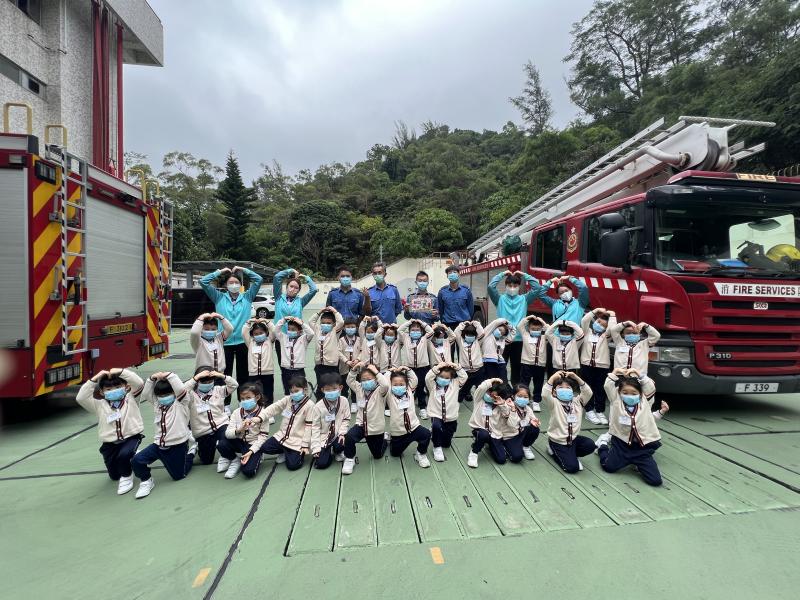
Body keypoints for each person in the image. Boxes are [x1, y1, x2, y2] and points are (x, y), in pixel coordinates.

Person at [75, 367, 145, 495]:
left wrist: (121, 372)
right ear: (101, 392)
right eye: (108, 389)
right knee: (114, 476)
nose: (114, 391)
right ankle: (133, 456)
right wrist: (94, 379)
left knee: (124, 456)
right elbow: (81, 398)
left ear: (126, 387)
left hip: (131, 437)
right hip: (110, 444)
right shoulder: (99, 405)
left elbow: (139, 383)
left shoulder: (131, 398)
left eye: (118, 387)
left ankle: (127, 476)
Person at [200, 266, 264, 402]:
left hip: (243, 341)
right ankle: (225, 405)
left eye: (236, 282)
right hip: (224, 342)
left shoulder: (247, 297)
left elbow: (258, 280)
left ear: (241, 285)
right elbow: (203, 282)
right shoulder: (218, 297)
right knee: (224, 374)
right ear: (226, 285)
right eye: (230, 282)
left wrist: (243, 269)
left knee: (243, 375)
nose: (234, 285)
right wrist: (220, 272)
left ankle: (244, 401)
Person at [131, 372, 196, 499]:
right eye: (160, 396)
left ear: (174, 394)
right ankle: (146, 480)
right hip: (158, 446)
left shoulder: (181, 403)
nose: (163, 398)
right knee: (136, 461)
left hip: (177, 446)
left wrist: (169, 375)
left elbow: (180, 389)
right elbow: (146, 394)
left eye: (167, 394)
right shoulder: (158, 405)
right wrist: (151, 378)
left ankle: (191, 453)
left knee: (179, 475)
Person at [595, 368, 663, 486]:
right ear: (619, 393)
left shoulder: (645, 402)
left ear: (640, 394)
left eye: (634, 393)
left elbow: (650, 387)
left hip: (641, 449)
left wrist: (639, 374)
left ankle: (638, 463)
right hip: (622, 446)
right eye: (625, 393)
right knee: (608, 467)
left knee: (655, 481)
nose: (629, 396)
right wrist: (615, 372)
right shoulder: (616, 401)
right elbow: (608, 386)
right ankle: (603, 445)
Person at [489, 269, 542, 385]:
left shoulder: (524, 299)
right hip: (502, 339)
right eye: (509, 285)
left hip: (519, 339)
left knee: (517, 368)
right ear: (506, 286)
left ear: (519, 286)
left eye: (515, 285)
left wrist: (524, 275)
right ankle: (501, 388)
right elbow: (490, 287)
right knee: (500, 365)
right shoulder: (499, 299)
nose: (512, 288)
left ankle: (515, 390)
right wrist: (502, 274)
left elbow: (537, 288)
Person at [258, 375, 317, 471]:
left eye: (297, 391)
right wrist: (260, 417)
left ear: (305, 389)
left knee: (293, 465)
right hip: (282, 436)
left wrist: (305, 445)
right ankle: (285, 451)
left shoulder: (310, 405)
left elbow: (309, 427)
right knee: (264, 448)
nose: (294, 394)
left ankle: (293, 453)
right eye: (291, 391)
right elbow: (274, 407)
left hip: (297, 441)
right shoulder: (288, 399)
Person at [185, 367, 238, 472]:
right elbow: (181, 391)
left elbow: (234, 385)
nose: (208, 384)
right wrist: (195, 378)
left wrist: (221, 376)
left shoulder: (218, 390)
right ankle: (196, 447)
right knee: (206, 460)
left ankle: (227, 456)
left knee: (225, 441)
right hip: (203, 431)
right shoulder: (190, 395)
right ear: (198, 382)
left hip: (221, 425)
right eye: (204, 382)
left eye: (210, 381)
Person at [542, 370, 594, 474]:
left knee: (590, 445)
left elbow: (588, 392)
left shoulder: (577, 402)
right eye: (561, 388)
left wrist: (576, 377)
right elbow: (545, 394)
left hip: (573, 439)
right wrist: (553, 378)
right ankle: (552, 450)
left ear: (572, 391)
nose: (565, 390)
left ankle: (572, 455)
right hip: (558, 442)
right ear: (554, 392)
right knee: (572, 468)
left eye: (568, 388)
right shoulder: (554, 403)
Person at [342, 362, 390, 474]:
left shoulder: (380, 391)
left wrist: (376, 371)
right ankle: (349, 459)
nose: (366, 381)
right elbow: (349, 381)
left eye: (369, 379)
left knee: (377, 455)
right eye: (363, 379)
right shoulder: (359, 388)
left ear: (376, 379)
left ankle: (384, 439)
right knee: (349, 436)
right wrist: (354, 369)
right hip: (361, 425)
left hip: (375, 428)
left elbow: (385, 385)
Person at [382, 366, 432, 468]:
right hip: (398, 432)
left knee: (426, 434)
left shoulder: (409, 390)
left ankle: (420, 454)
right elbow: (385, 384)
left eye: (401, 384)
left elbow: (414, 379)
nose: (398, 386)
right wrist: (389, 372)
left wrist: (407, 369)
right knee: (395, 453)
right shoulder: (389, 394)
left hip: (414, 427)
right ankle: (389, 439)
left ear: (406, 385)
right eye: (395, 384)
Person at [221, 381, 271, 479]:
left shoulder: (263, 414)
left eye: (248, 398)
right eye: (242, 399)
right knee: (221, 444)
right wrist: (239, 430)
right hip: (239, 441)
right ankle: (234, 460)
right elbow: (228, 433)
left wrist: (252, 451)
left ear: (257, 397)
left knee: (249, 472)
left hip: (253, 444)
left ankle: (257, 455)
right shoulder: (236, 412)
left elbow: (263, 437)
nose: (245, 401)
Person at [273, 267, 318, 366]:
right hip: (281, 337)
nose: (293, 289)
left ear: (298, 290)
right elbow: (277, 277)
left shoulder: (300, 301)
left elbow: (314, 290)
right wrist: (290, 271)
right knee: (283, 365)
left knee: (296, 363)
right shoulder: (278, 297)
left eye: (296, 288)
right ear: (286, 286)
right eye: (291, 286)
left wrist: (306, 278)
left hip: (296, 337)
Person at [580, 308, 617, 425]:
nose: (599, 325)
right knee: (588, 388)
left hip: (602, 366)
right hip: (586, 365)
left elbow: (613, 329)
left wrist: (612, 315)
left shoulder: (606, 336)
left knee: (600, 389)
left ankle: (600, 411)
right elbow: (584, 320)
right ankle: (589, 410)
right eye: (598, 322)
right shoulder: (587, 332)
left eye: (603, 325)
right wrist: (595, 311)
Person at [465, 378, 514, 468]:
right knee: (483, 435)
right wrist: (492, 380)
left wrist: (502, 404)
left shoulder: (501, 405)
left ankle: (490, 445)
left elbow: (507, 415)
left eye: (493, 396)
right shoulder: (479, 399)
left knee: (501, 459)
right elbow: (481, 387)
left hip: (494, 434)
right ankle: (474, 452)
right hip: (480, 430)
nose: (489, 396)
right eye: (489, 393)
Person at [425, 362, 468, 461]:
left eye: (447, 378)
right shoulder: (432, 386)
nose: (443, 379)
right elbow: (428, 378)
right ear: (437, 376)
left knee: (446, 444)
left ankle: (438, 434)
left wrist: (457, 367)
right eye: (441, 377)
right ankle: (436, 447)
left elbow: (464, 377)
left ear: (451, 378)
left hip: (451, 417)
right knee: (436, 426)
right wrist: (437, 367)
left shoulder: (455, 384)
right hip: (436, 415)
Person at [310, 372, 351, 469]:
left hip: (338, 434)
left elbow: (346, 419)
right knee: (321, 464)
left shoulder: (344, 401)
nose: (331, 392)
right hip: (324, 437)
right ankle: (328, 451)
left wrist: (342, 433)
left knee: (345, 441)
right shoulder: (318, 407)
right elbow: (315, 427)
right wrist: (316, 448)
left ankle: (338, 450)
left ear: (340, 388)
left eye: (334, 389)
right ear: (322, 390)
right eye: (327, 390)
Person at [398, 318, 434, 419]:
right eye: (413, 330)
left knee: (421, 387)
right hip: (409, 369)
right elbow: (400, 330)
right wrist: (409, 322)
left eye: (417, 330)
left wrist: (421, 323)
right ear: (409, 331)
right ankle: (407, 408)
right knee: (408, 388)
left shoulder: (425, 339)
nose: (415, 331)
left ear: (421, 331)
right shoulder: (405, 338)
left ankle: (422, 408)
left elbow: (431, 331)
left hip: (422, 368)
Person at [241, 318, 277, 411]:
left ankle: (268, 410)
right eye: (256, 334)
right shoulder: (250, 342)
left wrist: (266, 321)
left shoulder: (269, 341)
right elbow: (244, 332)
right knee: (254, 392)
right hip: (253, 374)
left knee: (268, 392)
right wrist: (249, 321)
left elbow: (274, 330)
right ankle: (256, 409)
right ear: (252, 335)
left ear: (266, 332)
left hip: (267, 373)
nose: (259, 335)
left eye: (261, 333)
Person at [274, 315, 315, 395]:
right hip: (286, 371)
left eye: (293, 329)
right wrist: (284, 319)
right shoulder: (283, 338)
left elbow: (311, 333)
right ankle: (289, 402)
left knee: (300, 392)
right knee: (288, 391)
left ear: (299, 331)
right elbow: (276, 330)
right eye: (289, 329)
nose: (290, 331)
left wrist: (301, 323)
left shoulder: (303, 339)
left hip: (298, 371)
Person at [310, 307, 345, 394]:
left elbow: (341, 322)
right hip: (319, 365)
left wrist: (335, 311)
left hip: (332, 366)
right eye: (323, 323)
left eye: (328, 323)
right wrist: (320, 312)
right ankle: (320, 399)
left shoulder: (334, 331)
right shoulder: (318, 330)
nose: (325, 325)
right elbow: (311, 321)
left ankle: (333, 398)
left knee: (332, 385)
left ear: (334, 324)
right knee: (321, 386)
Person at [517, 315, 548, 412]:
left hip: (540, 365)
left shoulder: (544, 337)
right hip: (526, 364)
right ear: (529, 328)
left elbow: (550, 330)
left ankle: (536, 401)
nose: (535, 331)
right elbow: (520, 326)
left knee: (538, 383)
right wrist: (528, 318)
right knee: (524, 382)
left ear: (541, 329)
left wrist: (541, 321)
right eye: (533, 329)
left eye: (538, 329)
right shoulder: (525, 335)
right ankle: (523, 399)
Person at [453, 320, 486, 403]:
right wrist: (463, 324)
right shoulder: (460, 342)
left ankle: (481, 403)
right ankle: (456, 404)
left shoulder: (477, 342)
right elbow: (456, 332)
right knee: (464, 389)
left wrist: (476, 323)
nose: (470, 336)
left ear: (475, 335)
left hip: (478, 370)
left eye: (472, 335)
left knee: (481, 388)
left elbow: (482, 332)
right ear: (464, 335)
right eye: (468, 335)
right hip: (465, 371)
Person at [436, 265, 474, 336]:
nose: (452, 274)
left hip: (463, 324)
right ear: (447, 276)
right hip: (448, 325)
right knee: (449, 343)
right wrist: (443, 322)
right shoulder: (442, 291)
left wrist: (468, 322)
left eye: (454, 272)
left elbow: (471, 308)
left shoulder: (466, 290)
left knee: (463, 343)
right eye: (450, 273)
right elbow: (441, 309)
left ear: (459, 274)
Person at [338, 318, 363, 414]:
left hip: (356, 368)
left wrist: (358, 360)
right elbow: (339, 352)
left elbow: (363, 351)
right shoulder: (341, 340)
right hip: (344, 368)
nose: (350, 329)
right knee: (344, 386)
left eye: (352, 327)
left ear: (356, 328)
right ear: (344, 328)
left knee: (355, 386)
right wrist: (346, 361)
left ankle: (354, 402)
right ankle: (343, 403)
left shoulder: (359, 340)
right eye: (348, 327)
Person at [480, 318, 515, 382]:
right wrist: (505, 322)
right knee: (491, 382)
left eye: (502, 333)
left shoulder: (502, 339)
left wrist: (509, 325)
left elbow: (513, 332)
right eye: (499, 330)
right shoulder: (487, 334)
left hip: (501, 362)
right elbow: (496, 322)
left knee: (504, 381)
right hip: (488, 361)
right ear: (495, 327)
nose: (500, 333)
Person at [512, 385, 540, 460]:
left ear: (529, 398)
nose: (522, 399)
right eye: (519, 396)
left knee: (534, 428)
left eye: (525, 397)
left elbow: (533, 418)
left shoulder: (528, 409)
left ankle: (526, 446)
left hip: (521, 433)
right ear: (513, 396)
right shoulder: (509, 407)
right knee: (516, 456)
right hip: (511, 435)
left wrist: (534, 421)